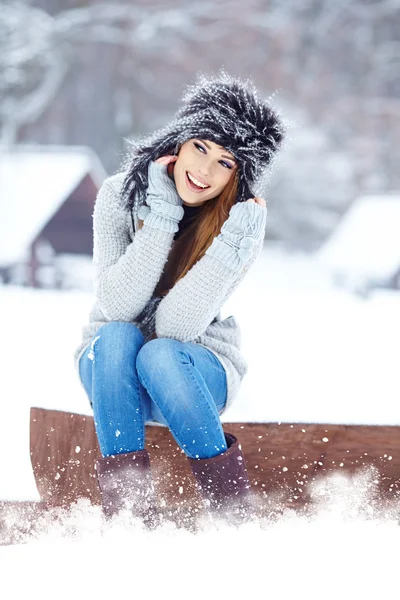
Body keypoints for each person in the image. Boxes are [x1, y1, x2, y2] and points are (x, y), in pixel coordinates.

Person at [74, 69, 286, 526]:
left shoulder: (240, 226)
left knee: (160, 354)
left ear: (240, 175)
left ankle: (231, 514)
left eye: (226, 163)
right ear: (180, 142)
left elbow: (175, 330)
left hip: (193, 373)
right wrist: (162, 213)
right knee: (117, 337)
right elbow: (117, 306)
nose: (204, 171)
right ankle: (129, 516)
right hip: (112, 372)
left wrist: (228, 247)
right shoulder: (119, 196)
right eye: (201, 148)